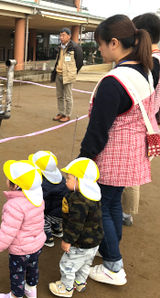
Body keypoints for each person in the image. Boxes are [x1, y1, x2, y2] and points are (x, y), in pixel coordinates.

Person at [79, 14, 157, 286]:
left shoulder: (115, 81)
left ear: (114, 43)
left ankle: (113, 265)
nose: (99, 50)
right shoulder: (144, 69)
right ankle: (109, 248)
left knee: (104, 207)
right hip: (132, 151)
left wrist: (83, 160)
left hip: (113, 153)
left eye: (100, 44)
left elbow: (98, 129)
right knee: (112, 204)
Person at [121, 13, 160, 226]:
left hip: (143, 123)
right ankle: (126, 211)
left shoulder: (151, 62)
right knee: (134, 169)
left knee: (131, 171)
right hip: (153, 123)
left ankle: (126, 213)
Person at [49, 158, 103, 297]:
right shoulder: (93, 195)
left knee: (67, 264)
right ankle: (79, 283)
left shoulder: (79, 201)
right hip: (94, 241)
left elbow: (75, 224)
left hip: (80, 242)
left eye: (69, 178)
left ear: (80, 181)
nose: (66, 180)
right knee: (85, 263)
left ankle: (66, 288)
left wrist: (67, 240)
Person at [0, 160, 46, 298]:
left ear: (15, 185)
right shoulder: (38, 198)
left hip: (21, 250)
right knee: (32, 268)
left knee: (17, 273)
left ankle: (16, 295)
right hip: (37, 245)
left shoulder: (14, 205)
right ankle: (31, 290)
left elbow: (8, 231)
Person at [29, 151, 68, 247]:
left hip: (54, 212)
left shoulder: (44, 184)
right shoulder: (59, 177)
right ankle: (57, 229)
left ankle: (48, 237)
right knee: (55, 216)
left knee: (43, 220)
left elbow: (42, 201)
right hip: (62, 211)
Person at [51, 27, 83, 123]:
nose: (61, 37)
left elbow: (80, 62)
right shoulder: (59, 47)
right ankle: (61, 113)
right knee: (60, 96)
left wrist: (72, 72)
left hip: (68, 75)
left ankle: (68, 115)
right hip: (58, 74)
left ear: (69, 36)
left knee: (68, 97)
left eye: (63, 35)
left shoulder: (75, 47)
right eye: (60, 35)